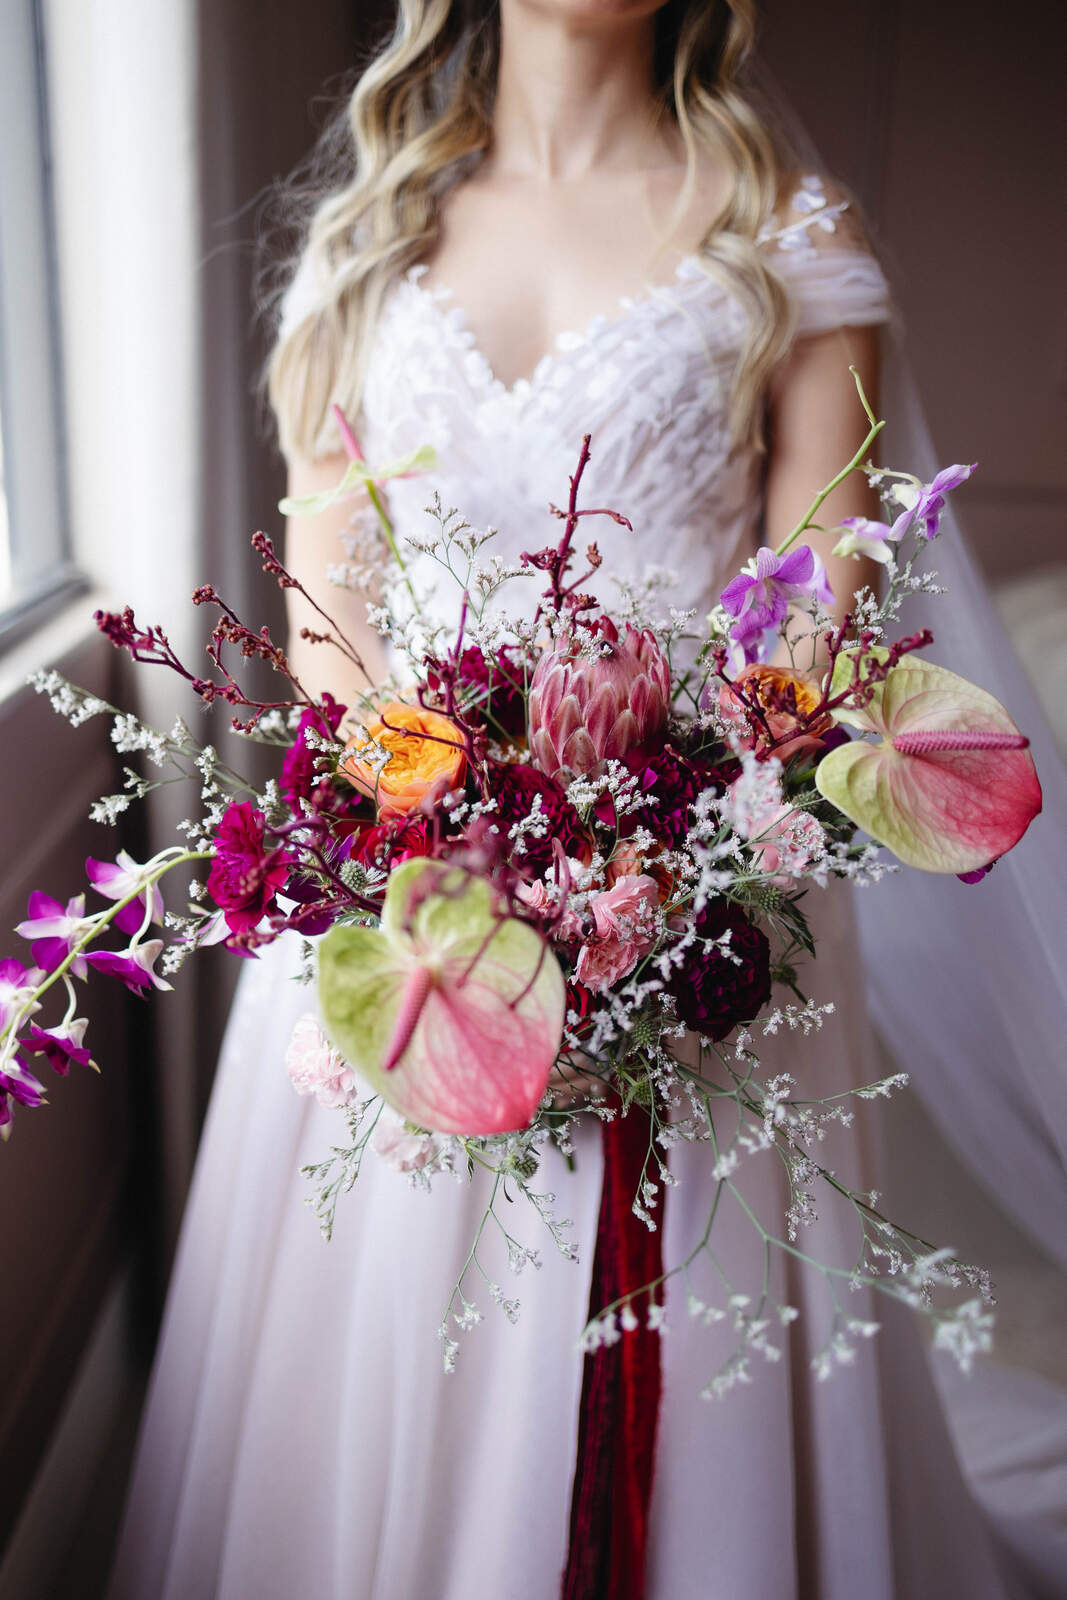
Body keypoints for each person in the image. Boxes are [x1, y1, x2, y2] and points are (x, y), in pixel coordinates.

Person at [108, 3, 1062, 1596]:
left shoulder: (784, 233)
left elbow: (814, 639)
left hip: (693, 906)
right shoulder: (379, 229)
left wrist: (633, 877)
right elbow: (334, 626)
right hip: (416, 899)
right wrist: (433, 853)